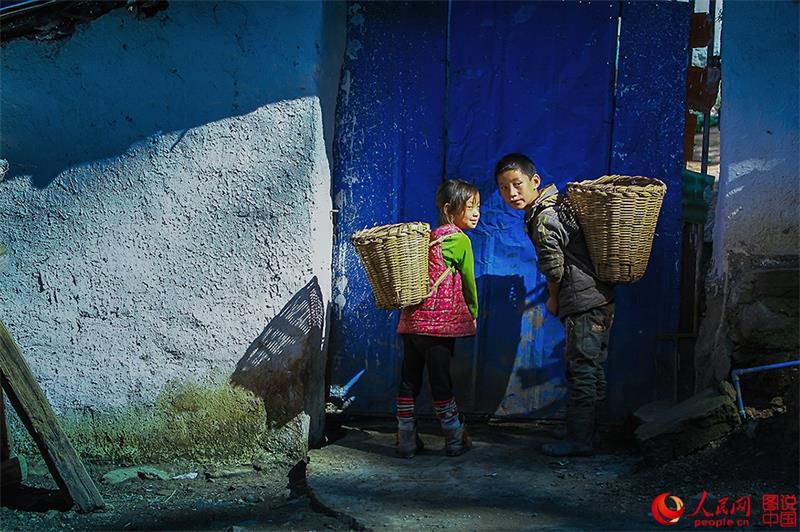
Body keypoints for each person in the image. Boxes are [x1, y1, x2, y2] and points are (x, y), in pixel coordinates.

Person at [495, 153, 614, 457]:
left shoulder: (545, 217)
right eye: (504, 188)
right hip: (598, 298)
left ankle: (579, 441)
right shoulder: (554, 206)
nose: (512, 193)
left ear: (535, 181)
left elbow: (554, 268)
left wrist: (554, 298)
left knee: (582, 370)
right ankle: (587, 431)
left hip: (583, 300)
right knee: (592, 368)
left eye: (517, 184)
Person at [395, 178, 480, 458]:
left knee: (409, 380)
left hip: (411, 325)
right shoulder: (459, 240)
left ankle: (406, 441)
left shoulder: (426, 240)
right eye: (470, 207)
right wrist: (473, 312)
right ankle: (455, 438)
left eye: (477, 206)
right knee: (441, 381)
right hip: (439, 329)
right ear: (449, 209)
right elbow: (468, 281)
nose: (476, 212)